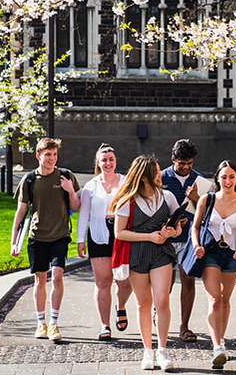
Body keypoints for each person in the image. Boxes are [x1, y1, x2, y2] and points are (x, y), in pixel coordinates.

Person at [111, 155, 182, 371]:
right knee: (144, 303)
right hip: (137, 254)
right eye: (157, 172)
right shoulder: (126, 201)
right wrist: (149, 236)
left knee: (162, 301)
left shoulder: (167, 196)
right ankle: (147, 351)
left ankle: (162, 350)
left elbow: (178, 228)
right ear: (144, 178)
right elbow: (119, 233)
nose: (161, 174)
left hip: (161, 252)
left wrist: (172, 231)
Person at [10, 137, 81, 342]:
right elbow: (20, 213)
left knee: (57, 276)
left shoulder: (66, 176)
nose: (52, 158)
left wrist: (69, 191)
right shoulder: (30, 180)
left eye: (55, 154)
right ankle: (40, 322)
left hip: (60, 235)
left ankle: (53, 323)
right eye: (48, 155)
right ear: (38, 155)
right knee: (40, 279)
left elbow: (75, 207)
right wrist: (13, 241)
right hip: (37, 237)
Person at [191, 160, 236, 369]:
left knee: (226, 300)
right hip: (210, 253)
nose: (228, 181)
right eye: (224, 177)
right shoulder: (206, 199)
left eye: (232, 177)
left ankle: (221, 341)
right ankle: (217, 346)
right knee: (215, 300)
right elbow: (195, 227)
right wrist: (196, 245)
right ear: (217, 178)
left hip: (232, 254)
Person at [76, 144, 132, 341]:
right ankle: (105, 325)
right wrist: (80, 240)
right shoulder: (91, 186)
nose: (108, 163)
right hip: (99, 234)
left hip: (122, 233)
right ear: (98, 163)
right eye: (104, 160)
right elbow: (84, 215)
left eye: (111, 159)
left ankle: (121, 305)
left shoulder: (126, 182)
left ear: (115, 161)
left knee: (124, 280)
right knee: (103, 281)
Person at [160, 138, 202, 343]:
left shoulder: (199, 180)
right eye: (181, 163)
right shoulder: (160, 178)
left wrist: (196, 198)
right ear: (173, 159)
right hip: (166, 239)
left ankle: (184, 327)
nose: (185, 168)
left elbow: (207, 213)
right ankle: (160, 317)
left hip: (188, 240)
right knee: (165, 284)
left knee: (188, 280)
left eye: (189, 164)